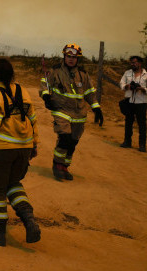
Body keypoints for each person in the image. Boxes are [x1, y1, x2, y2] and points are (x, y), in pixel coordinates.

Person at [0, 58, 41, 247]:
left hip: (1, 150)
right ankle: (28, 218)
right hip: (24, 148)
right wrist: (34, 144)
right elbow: (33, 120)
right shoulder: (23, 92)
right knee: (13, 183)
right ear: (12, 73)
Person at [39, 43, 103, 181]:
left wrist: (96, 107)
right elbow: (45, 84)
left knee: (73, 143)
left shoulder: (83, 74)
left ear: (78, 59)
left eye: (74, 57)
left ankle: (65, 166)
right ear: (64, 56)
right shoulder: (55, 71)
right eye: (68, 56)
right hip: (61, 110)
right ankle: (57, 165)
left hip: (79, 114)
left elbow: (89, 93)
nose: (71, 59)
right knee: (64, 138)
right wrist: (45, 96)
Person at [119, 55, 147, 152]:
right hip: (129, 101)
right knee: (128, 122)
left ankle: (142, 145)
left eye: (134, 62)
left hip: (141, 102)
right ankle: (127, 142)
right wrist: (127, 86)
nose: (132, 64)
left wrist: (142, 89)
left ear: (139, 63)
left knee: (142, 124)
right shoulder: (127, 73)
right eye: (131, 63)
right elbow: (121, 83)